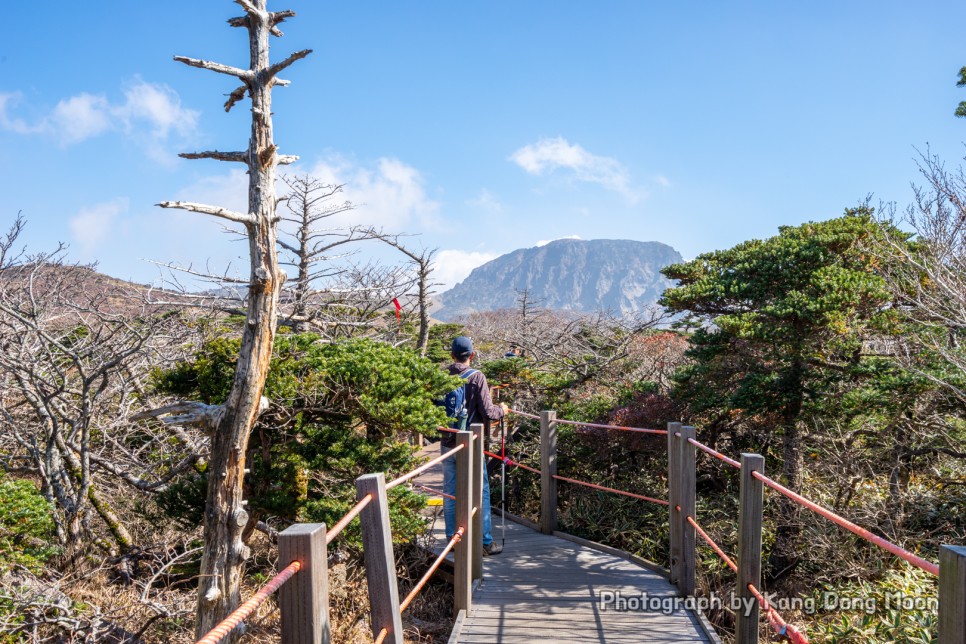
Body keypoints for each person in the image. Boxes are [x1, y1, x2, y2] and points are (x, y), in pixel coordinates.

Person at [441, 336, 507, 555]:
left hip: (448, 443)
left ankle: (453, 540)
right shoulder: (477, 377)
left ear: (451, 355)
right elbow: (488, 412)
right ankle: (484, 542)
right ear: (472, 355)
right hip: (471, 444)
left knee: (451, 492)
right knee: (481, 491)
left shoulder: (442, 376)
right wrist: (503, 411)